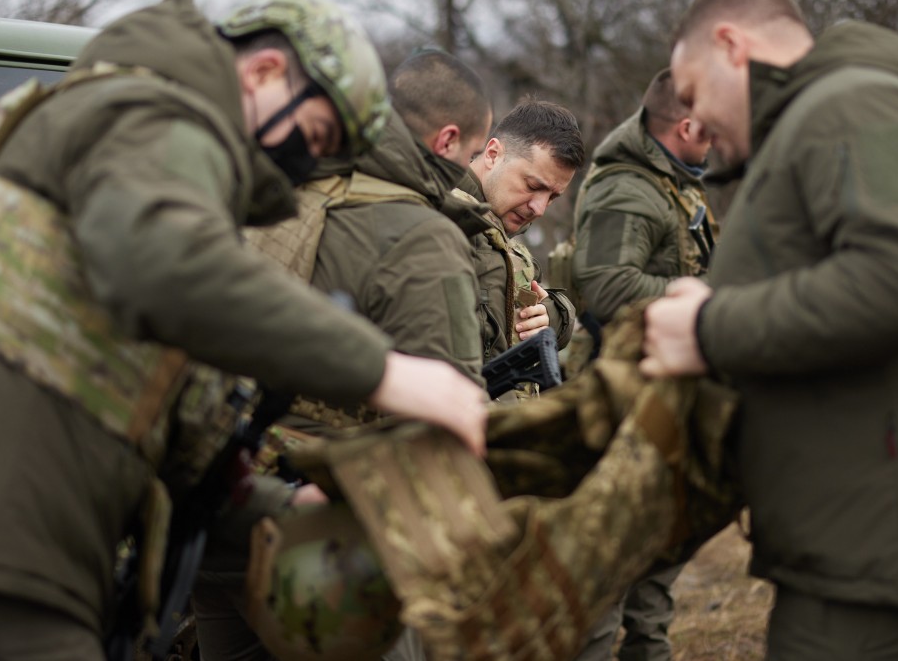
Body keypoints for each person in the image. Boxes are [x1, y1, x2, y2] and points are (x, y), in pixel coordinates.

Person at [0, 0, 485, 659]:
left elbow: (181, 452)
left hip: (43, 556)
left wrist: (284, 512)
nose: (299, 170)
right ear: (265, 73)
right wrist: (384, 372)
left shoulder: (167, 176)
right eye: (312, 139)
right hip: (11, 555)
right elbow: (157, 261)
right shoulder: (144, 112)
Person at [642, 0, 898, 661]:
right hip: (864, 550)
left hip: (886, 561)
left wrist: (707, 329)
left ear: (732, 45)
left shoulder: (855, 103)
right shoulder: (821, 118)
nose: (692, 124)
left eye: (693, 94)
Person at [192, 48, 495, 661]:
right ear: (448, 139)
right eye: (467, 159)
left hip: (217, 515)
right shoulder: (420, 237)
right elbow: (446, 426)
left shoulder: (267, 188)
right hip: (328, 547)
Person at [568, 68, 713, 661]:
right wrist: (705, 303)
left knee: (657, 558)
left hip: (661, 398)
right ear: (687, 125)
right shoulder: (629, 188)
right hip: (619, 399)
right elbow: (604, 288)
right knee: (609, 566)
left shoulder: (676, 182)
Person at [458, 100, 584, 371]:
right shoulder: (440, 217)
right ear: (493, 154)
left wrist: (549, 316)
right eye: (533, 185)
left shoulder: (505, 234)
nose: (539, 208)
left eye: (552, 197)